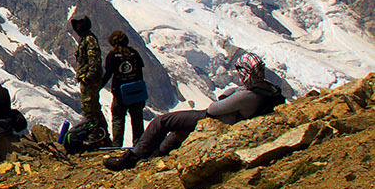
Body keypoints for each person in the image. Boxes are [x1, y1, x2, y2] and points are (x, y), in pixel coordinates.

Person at [104, 53, 283, 170]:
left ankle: (133, 157)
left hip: (217, 119)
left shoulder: (248, 95)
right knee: (177, 131)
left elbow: (214, 109)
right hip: (228, 118)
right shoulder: (266, 89)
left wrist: (230, 94)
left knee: (162, 121)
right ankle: (155, 155)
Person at [103, 30, 147, 148]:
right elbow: (140, 74)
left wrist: (98, 86)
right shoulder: (134, 54)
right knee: (137, 120)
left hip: (120, 94)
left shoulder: (112, 56)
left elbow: (108, 74)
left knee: (118, 120)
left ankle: (117, 146)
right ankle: (139, 146)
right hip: (136, 93)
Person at [70, 15, 107, 131]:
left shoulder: (89, 39)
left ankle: (96, 134)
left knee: (90, 108)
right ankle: (101, 134)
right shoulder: (84, 39)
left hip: (90, 81)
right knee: (92, 108)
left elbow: (94, 59)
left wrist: (88, 77)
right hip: (88, 80)